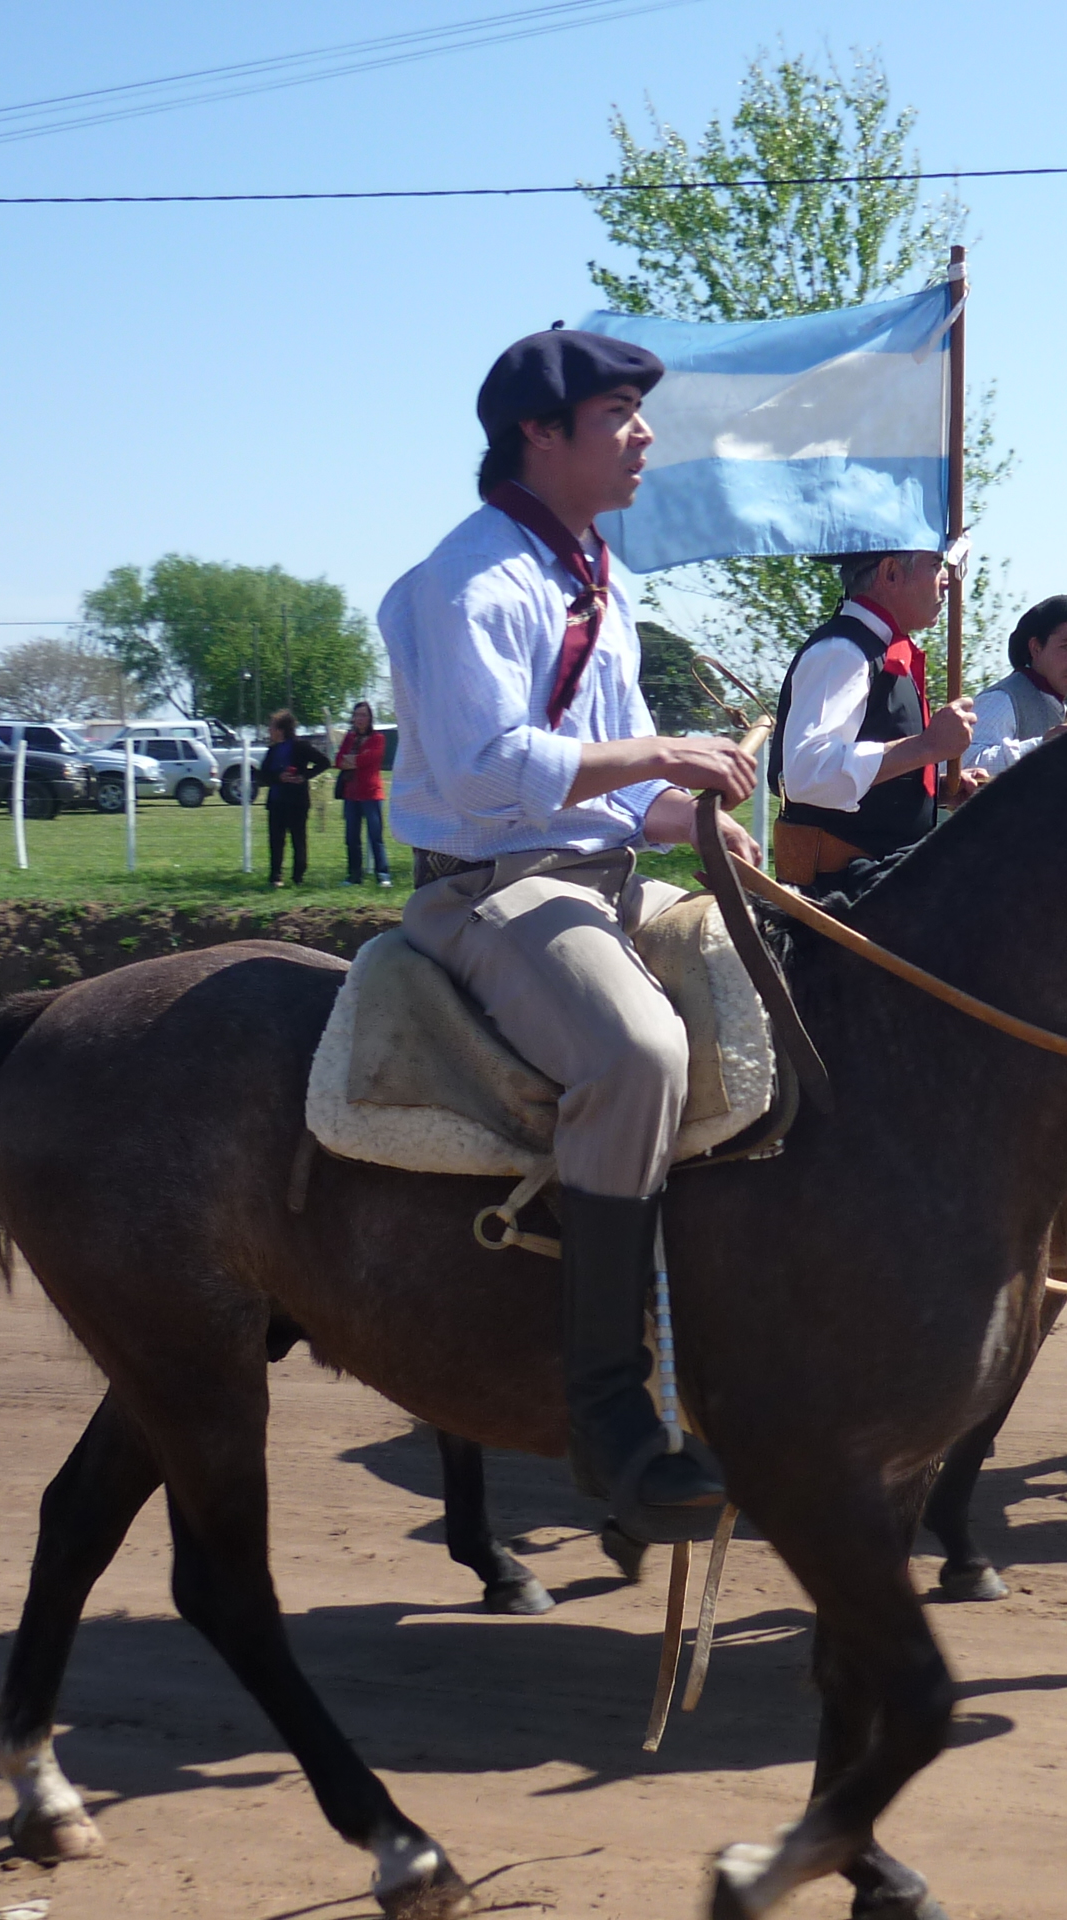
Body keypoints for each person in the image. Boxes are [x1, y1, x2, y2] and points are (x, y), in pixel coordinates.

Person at [378, 324, 758, 1543]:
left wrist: (689, 819)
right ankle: (606, 1412)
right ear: (541, 434)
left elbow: (616, 783)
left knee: (788, 992)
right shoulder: (465, 583)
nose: (645, 436)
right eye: (619, 417)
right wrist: (657, 756)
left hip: (604, 876)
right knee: (636, 1055)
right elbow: (495, 778)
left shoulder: (598, 576)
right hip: (491, 888)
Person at [768, 549, 975, 887]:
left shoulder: (876, 651)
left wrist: (932, 790)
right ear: (891, 574)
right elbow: (808, 773)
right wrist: (926, 747)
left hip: (878, 889)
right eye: (936, 566)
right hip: (841, 899)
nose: (948, 582)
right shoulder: (843, 651)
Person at [962, 594, 1067, 778]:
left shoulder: (1062, 709)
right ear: (1036, 648)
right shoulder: (1003, 700)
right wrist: (1042, 746)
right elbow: (964, 765)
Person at [260, 710, 330, 889]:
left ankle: (298, 875)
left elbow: (324, 762)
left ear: (281, 729)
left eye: (272, 727)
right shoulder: (272, 750)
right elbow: (263, 776)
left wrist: (304, 776)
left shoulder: (301, 746)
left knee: (298, 839)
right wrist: (278, 777)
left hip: (297, 801)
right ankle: (275, 875)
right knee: (276, 839)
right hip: (276, 802)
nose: (269, 731)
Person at [333, 699, 392, 888]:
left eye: (363, 715)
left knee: (375, 836)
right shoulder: (349, 738)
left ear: (370, 718)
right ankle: (354, 876)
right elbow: (338, 760)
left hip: (371, 794)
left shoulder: (378, 738)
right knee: (352, 837)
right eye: (357, 715)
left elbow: (370, 759)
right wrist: (353, 760)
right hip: (351, 794)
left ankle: (383, 875)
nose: (360, 719)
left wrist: (354, 759)